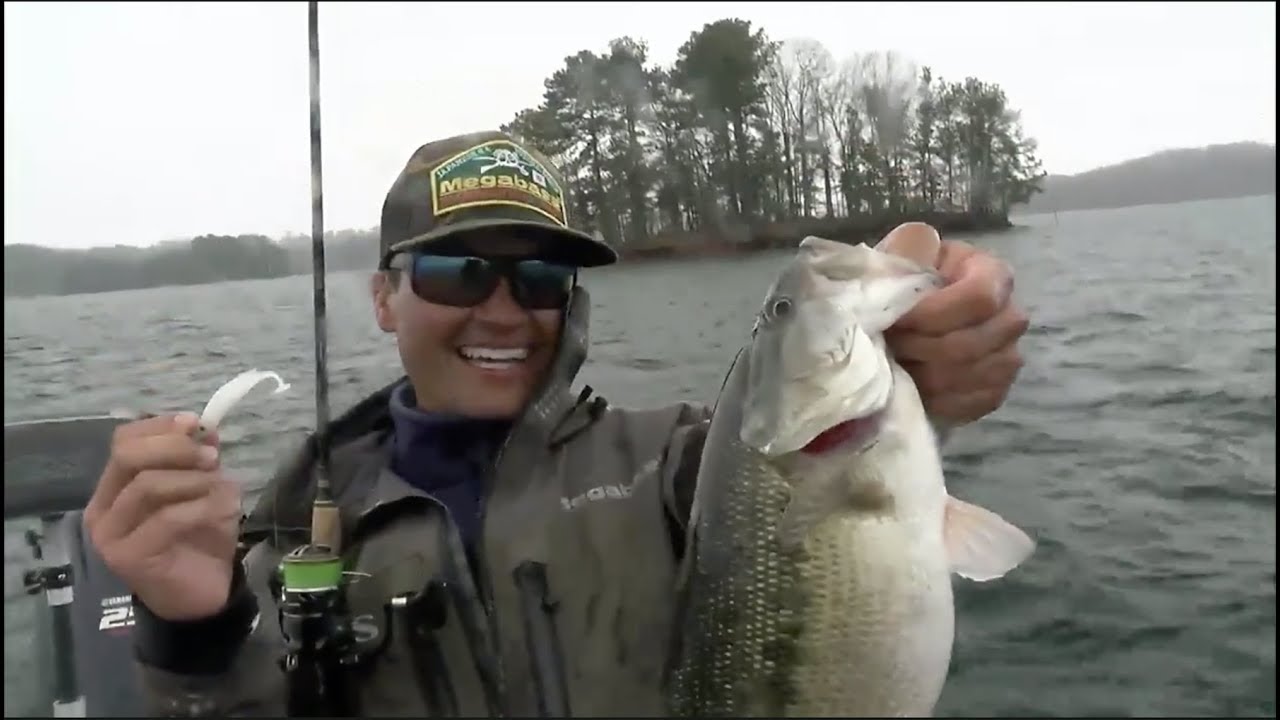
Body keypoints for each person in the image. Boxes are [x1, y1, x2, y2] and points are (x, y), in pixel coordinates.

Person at [84, 130, 1029, 716]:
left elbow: (810, 478)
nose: (504, 310)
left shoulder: (681, 465)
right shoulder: (290, 533)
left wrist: (939, 347)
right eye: (459, 273)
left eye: (538, 278)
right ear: (382, 299)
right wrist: (192, 628)